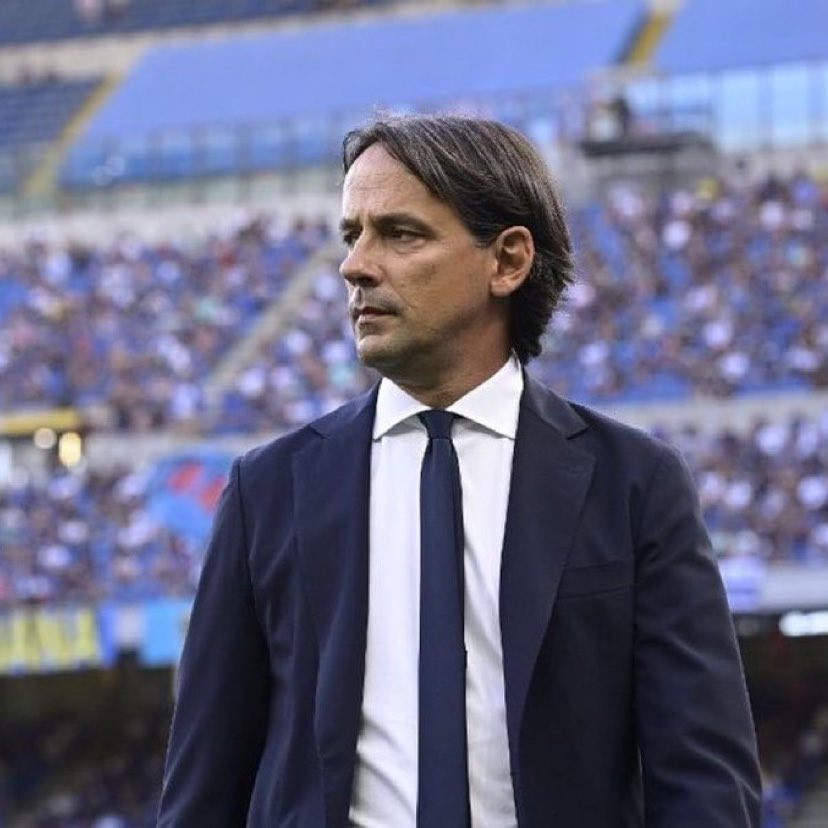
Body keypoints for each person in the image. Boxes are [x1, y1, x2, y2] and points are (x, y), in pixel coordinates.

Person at [157, 115, 761, 826]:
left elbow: (703, 780)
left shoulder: (634, 482)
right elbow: (203, 786)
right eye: (353, 235)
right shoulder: (268, 490)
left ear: (507, 261)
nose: (355, 266)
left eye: (400, 234)